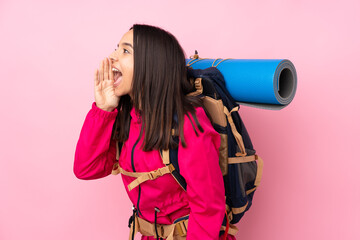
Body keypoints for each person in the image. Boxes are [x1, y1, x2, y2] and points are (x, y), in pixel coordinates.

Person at [73, 23, 236, 240]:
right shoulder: (127, 118)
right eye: (116, 48)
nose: (112, 56)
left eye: (125, 50)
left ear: (150, 65)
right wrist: (104, 109)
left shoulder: (187, 122)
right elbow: (86, 168)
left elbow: (208, 208)